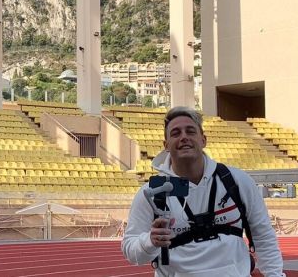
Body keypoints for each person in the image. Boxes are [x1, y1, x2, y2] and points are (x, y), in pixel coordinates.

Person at [122, 107, 285, 276]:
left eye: (190, 131)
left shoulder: (237, 181)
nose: (184, 137)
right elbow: (131, 251)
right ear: (166, 146)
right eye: (176, 133)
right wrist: (150, 241)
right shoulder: (152, 192)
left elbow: (264, 236)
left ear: (203, 140)